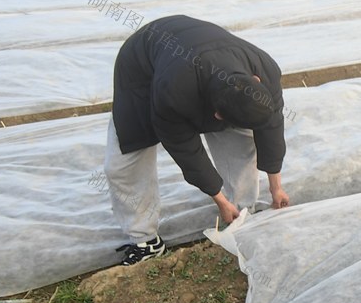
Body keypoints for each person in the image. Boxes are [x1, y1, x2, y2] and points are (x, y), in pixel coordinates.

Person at [105, 15, 291, 266]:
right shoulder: (173, 94)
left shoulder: (264, 69)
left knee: (241, 140)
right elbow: (187, 152)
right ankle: (145, 240)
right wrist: (219, 200)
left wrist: (276, 187)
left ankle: (243, 214)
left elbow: (271, 127)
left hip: (200, 54)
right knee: (125, 162)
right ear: (216, 115)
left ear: (256, 81)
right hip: (142, 68)